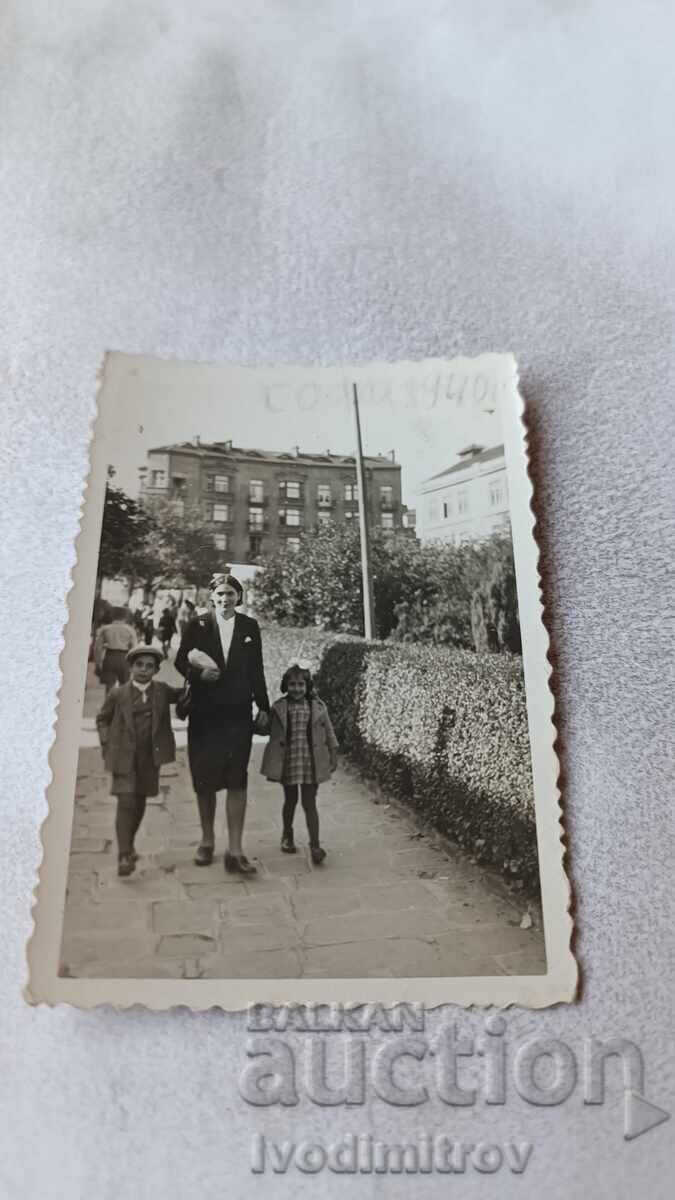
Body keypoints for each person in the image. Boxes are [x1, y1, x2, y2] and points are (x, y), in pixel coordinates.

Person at [175, 571, 270, 874]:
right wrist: (198, 674)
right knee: (205, 779)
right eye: (220, 594)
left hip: (238, 714)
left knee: (236, 778)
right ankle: (206, 841)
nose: (225, 599)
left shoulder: (249, 626)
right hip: (205, 713)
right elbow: (180, 660)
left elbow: (257, 669)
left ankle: (236, 849)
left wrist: (264, 707)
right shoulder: (197, 624)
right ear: (211, 597)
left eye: (231, 593)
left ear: (238, 597)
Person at [96, 645, 183, 877]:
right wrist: (107, 744)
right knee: (126, 801)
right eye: (139, 665)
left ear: (156, 670)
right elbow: (102, 719)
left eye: (149, 666)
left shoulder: (162, 691)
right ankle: (123, 854)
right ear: (131, 667)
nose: (143, 670)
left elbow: (186, 695)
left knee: (140, 800)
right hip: (123, 755)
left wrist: (198, 675)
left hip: (149, 757)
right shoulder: (118, 693)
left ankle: (130, 844)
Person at [261, 660, 338, 864]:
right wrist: (257, 722)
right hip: (289, 761)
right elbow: (265, 729)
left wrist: (333, 752)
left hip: (310, 762)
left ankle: (315, 845)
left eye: (301, 685)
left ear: (308, 686)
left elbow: (329, 732)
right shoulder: (279, 707)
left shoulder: (317, 707)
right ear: (286, 685)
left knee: (310, 803)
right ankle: (287, 835)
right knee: (291, 800)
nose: (297, 689)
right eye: (293, 684)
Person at [94, 607, 137, 695]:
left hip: (110, 657)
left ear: (112, 616)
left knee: (109, 686)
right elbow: (134, 648)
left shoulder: (105, 629)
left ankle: (108, 706)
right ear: (125, 617)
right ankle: (122, 706)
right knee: (125, 685)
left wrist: (98, 663)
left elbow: (97, 648)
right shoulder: (130, 630)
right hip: (125, 657)